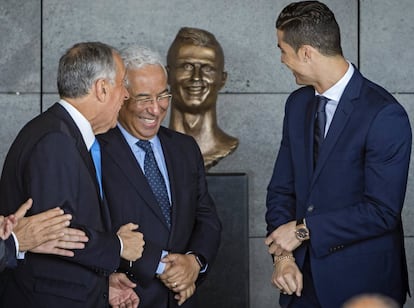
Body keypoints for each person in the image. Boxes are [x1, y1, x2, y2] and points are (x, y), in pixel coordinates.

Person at [264, 1, 411, 307]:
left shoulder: (384, 114)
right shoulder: (297, 105)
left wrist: (304, 231)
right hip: (300, 283)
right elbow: (281, 189)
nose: (281, 59)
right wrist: (284, 256)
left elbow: (382, 211)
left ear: (306, 52)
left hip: (361, 285)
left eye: (283, 50)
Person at [0, 41, 145, 308]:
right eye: (123, 84)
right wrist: (119, 246)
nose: (126, 95)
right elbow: (57, 232)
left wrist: (104, 282)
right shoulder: (56, 139)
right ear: (102, 88)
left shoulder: (62, 132)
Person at [98, 45, 222, 307]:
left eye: (163, 95)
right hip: (126, 298)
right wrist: (161, 266)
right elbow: (91, 230)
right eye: (144, 98)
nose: (156, 109)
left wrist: (193, 262)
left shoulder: (184, 147)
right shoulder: (96, 150)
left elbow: (206, 217)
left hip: (182, 297)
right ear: (122, 96)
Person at [167, 27, 238, 169]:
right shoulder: (154, 149)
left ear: (222, 79)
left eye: (207, 68)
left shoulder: (226, 146)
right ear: (168, 74)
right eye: (186, 66)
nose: (196, 77)